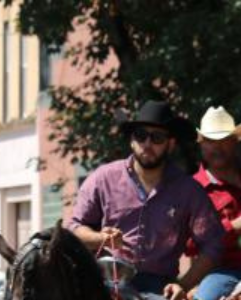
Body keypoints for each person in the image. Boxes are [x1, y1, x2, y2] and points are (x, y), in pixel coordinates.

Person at [67, 101, 227, 300]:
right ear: (132, 141)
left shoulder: (188, 190)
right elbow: (73, 228)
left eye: (157, 137)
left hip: (158, 288)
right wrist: (100, 238)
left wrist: (181, 285)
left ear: (171, 144)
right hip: (104, 282)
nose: (147, 144)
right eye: (140, 136)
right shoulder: (103, 178)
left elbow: (213, 242)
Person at [184, 106, 241, 300]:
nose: (217, 147)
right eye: (210, 141)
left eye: (224, 140)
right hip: (223, 270)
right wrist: (233, 227)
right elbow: (190, 244)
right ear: (201, 144)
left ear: (235, 141)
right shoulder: (192, 189)